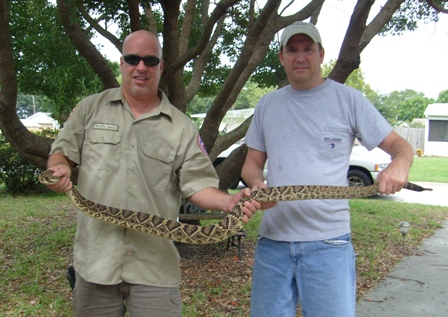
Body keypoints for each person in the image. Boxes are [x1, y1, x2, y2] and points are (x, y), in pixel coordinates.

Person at [43, 30, 260, 317]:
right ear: (121, 63)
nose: (141, 67)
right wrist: (58, 168)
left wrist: (228, 203)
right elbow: (62, 152)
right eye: (133, 59)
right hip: (96, 264)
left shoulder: (181, 127)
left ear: (160, 65)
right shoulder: (89, 109)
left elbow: (198, 185)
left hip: (154, 269)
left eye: (149, 60)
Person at [241, 21, 414, 317]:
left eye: (307, 49)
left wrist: (400, 163)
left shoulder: (349, 100)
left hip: (328, 244)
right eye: (291, 50)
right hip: (273, 244)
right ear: (281, 57)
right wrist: (257, 183)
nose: (300, 57)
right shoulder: (267, 105)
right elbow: (251, 164)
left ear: (321, 54)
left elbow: (401, 146)